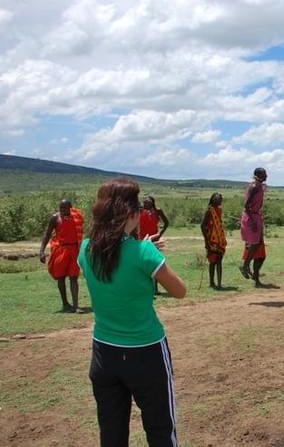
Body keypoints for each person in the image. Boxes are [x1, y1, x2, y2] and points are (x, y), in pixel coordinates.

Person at [77, 177, 186, 446]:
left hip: (104, 354)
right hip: (146, 352)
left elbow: (114, 262)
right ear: (131, 213)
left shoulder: (85, 249)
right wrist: (147, 251)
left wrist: (142, 248)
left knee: (111, 433)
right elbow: (179, 290)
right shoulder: (143, 252)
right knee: (161, 429)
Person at [39, 200, 84, 313]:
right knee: (61, 277)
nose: (63, 211)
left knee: (74, 277)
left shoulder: (76, 217)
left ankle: (75, 306)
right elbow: (47, 234)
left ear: (70, 207)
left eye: (65, 208)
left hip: (74, 249)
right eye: (61, 208)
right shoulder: (55, 218)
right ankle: (65, 304)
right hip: (60, 250)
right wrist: (41, 251)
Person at [138, 196, 169, 295]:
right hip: (142, 240)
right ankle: (145, 288)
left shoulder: (157, 211)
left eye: (148, 202)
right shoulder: (139, 210)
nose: (145, 204)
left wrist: (160, 234)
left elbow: (166, 223)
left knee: (154, 264)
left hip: (154, 241)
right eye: (144, 202)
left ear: (152, 203)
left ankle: (155, 289)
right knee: (143, 265)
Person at [240, 168, 267, 279]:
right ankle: (245, 265)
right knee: (255, 243)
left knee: (258, 242)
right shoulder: (254, 186)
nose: (266, 175)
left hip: (255, 215)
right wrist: (252, 220)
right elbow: (246, 205)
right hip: (251, 216)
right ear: (257, 175)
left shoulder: (259, 186)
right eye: (264, 174)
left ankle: (247, 265)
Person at [201, 193, 227, 289]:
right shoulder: (209, 210)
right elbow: (202, 226)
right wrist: (206, 241)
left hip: (219, 239)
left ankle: (219, 283)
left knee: (219, 260)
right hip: (211, 240)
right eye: (217, 199)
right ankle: (212, 283)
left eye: (220, 199)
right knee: (213, 261)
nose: (220, 201)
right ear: (212, 200)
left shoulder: (219, 210)